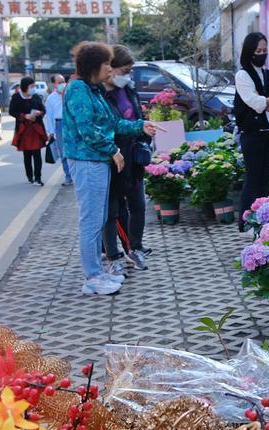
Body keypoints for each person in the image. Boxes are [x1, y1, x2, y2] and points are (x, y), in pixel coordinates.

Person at [62, 41, 158, 296]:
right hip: (87, 161)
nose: (111, 70)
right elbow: (88, 130)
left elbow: (112, 123)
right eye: (106, 64)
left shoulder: (92, 90)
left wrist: (140, 126)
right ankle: (92, 276)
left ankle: (97, 272)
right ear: (94, 66)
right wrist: (112, 150)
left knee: (98, 217)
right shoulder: (78, 90)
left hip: (96, 161)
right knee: (92, 220)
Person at [101, 44, 152, 273]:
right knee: (114, 210)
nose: (127, 75)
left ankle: (136, 248)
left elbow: (138, 117)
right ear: (110, 69)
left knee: (138, 205)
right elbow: (110, 127)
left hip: (134, 157)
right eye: (124, 70)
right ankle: (115, 255)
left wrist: (144, 133)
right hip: (114, 158)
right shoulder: (100, 95)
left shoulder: (129, 89)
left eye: (129, 70)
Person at [234, 31, 269, 230]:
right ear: (250, 51)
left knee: (265, 180)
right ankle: (245, 221)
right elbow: (254, 102)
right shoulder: (242, 75)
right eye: (258, 50)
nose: (262, 54)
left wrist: (267, 101)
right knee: (252, 179)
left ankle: (263, 221)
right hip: (252, 134)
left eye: (264, 50)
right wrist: (268, 100)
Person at [9, 77, 47, 185]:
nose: (33, 88)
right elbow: (12, 111)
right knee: (27, 154)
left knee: (37, 154)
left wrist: (39, 113)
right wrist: (25, 116)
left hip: (35, 128)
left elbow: (43, 109)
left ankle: (38, 177)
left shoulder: (36, 97)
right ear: (25, 87)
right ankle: (30, 176)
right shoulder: (16, 97)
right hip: (24, 129)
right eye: (32, 86)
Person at [44, 74, 73, 186]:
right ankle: (68, 176)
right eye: (59, 82)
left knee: (74, 150)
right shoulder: (51, 98)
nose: (62, 84)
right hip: (59, 124)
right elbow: (49, 116)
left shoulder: (70, 94)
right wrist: (51, 132)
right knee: (63, 153)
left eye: (63, 82)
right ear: (54, 84)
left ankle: (75, 175)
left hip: (71, 123)